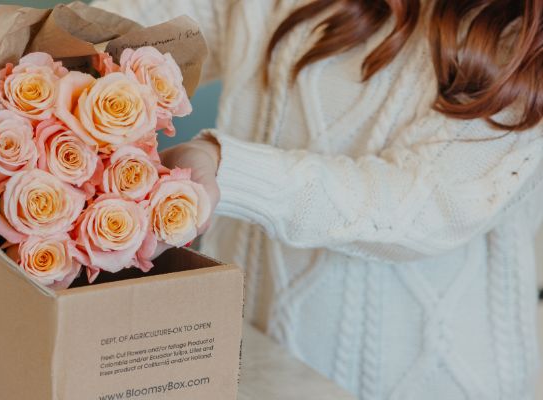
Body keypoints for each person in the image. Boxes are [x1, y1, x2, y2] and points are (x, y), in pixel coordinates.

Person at [93, 0, 543, 399]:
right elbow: (139, 29)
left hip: (427, 380)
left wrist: (224, 166)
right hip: (249, 357)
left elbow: (428, 203)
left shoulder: (520, 36)